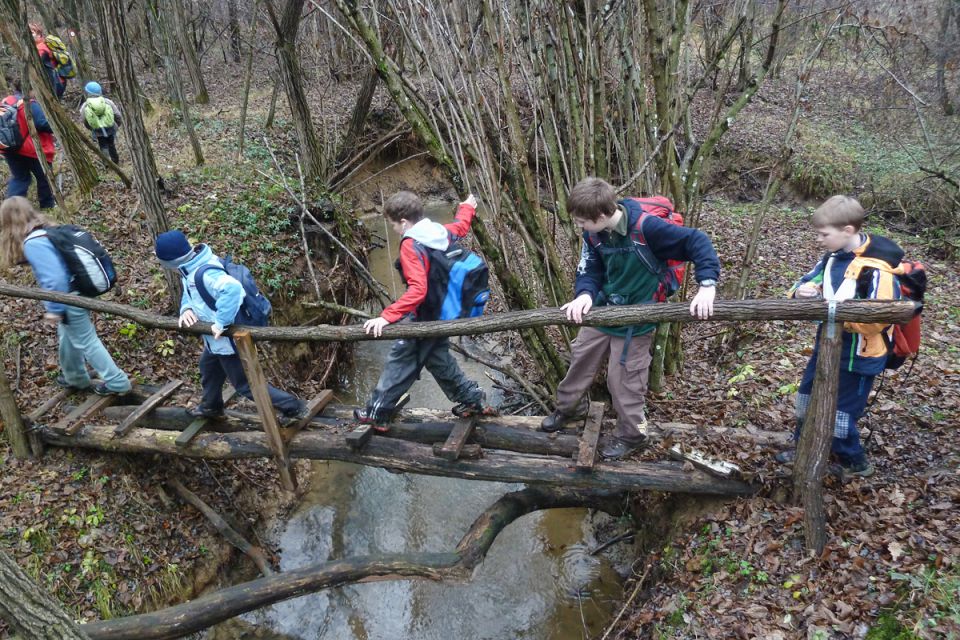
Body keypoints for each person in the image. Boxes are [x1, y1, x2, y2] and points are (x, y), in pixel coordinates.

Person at [539, 177, 720, 460]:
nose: (580, 228)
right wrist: (585, 295)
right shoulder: (594, 234)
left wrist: (707, 285)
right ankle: (569, 408)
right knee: (580, 358)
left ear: (601, 216)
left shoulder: (648, 228)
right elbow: (590, 268)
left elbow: (697, 240)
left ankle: (633, 435)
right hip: (602, 310)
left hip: (637, 319)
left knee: (624, 380)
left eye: (582, 222)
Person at [775, 195, 903, 478]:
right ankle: (804, 445)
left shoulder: (877, 268)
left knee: (842, 412)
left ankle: (853, 461)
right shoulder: (832, 259)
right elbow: (806, 281)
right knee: (807, 396)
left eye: (824, 234)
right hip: (827, 344)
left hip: (860, 353)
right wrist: (802, 291)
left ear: (847, 231)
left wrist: (838, 315)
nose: (819, 240)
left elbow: (879, 317)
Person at [353, 191, 493, 430]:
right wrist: (467, 206)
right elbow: (460, 227)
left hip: (425, 316)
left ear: (404, 222)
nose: (394, 229)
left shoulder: (410, 244)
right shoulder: (436, 231)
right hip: (444, 312)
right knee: (438, 358)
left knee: (401, 357)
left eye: (393, 224)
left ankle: (378, 412)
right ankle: (473, 399)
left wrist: (387, 316)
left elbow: (418, 290)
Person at [154, 230, 307, 421]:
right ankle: (211, 407)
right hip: (216, 342)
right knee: (208, 368)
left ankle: (294, 407)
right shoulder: (191, 267)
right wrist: (186, 309)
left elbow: (233, 289)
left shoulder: (204, 273)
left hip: (228, 342)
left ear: (171, 261)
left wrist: (221, 323)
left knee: (244, 386)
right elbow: (189, 292)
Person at [0, 196, 131, 394]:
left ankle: (117, 382)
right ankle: (75, 377)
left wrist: (54, 309)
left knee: (86, 340)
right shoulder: (47, 232)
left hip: (69, 297)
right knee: (68, 335)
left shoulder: (33, 243)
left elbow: (55, 279)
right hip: (80, 289)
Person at [1, 78, 56, 209]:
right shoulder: (30, 104)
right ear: (30, 89)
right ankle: (47, 206)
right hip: (32, 150)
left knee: (20, 178)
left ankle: (11, 210)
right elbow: (42, 124)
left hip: (10, 148)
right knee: (44, 178)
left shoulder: (6, 101)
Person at [79, 81, 121, 163]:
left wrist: (91, 128)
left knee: (103, 145)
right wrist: (117, 125)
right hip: (110, 127)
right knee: (111, 143)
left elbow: (84, 120)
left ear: (88, 93)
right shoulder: (107, 102)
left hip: (97, 129)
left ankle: (107, 163)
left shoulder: (85, 105)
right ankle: (115, 160)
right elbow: (117, 115)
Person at [30, 23, 66, 100]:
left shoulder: (40, 48)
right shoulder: (43, 44)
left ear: (39, 34)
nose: (29, 36)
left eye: (32, 33)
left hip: (55, 82)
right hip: (60, 80)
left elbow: (36, 66)